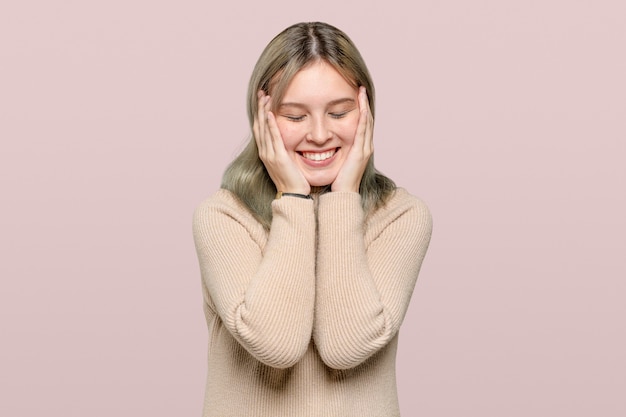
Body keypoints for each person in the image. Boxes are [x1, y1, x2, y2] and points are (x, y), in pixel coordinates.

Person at [192, 21, 432, 417]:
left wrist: (343, 200)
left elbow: (345, 345)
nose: (319, 134)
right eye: (295, 116)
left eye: (339, 112)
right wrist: (294, 199)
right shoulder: (223, 217)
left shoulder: (401, 217)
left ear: (366, 111)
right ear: (262, 117)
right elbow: (277, 343)